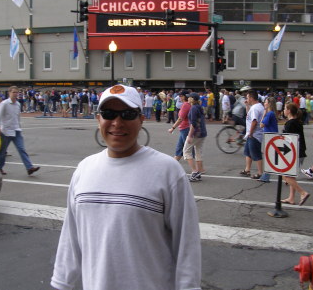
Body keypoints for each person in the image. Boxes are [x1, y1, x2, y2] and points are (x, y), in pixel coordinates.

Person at [51, 84, 201, 290]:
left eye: (128, 114)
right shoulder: (84, 170)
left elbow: (187, 243)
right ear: (98, 120)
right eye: (108, 113)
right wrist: (62, 283)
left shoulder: (168, 171)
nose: (117, 122)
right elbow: (71, 237)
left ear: (141, 120)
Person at [0, 86, 40, 176]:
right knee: (2, 151)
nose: (15, 94)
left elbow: (17, 117)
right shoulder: (4, 104)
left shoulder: (18, 104)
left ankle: (29, 168)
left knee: (21, 149)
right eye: (14, 92)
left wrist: (19, 127)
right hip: (5, 131)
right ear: (9, 93)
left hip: (16, 130)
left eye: (17, 92)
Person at [280, 103, 310, 205]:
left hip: (294, 153)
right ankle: (291, 198)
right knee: (291, 176)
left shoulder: (290, 124)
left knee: (285, 176)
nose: (283, 110)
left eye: (285, 108)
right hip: (300, 152)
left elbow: (287, 141)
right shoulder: (297, 122)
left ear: (289, 111)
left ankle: (303, 193)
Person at [240, 90, 264, 179]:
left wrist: (250, 133)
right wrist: (247, 105)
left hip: (254, 135)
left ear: (251, 98)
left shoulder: (255, 108)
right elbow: (249, 115)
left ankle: (260, 172)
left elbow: (254, 121)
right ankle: (247, 169)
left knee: (256, 154)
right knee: (248, 152)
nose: (247, 99)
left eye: (247, 97)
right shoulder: (257, 106)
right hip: (254, 134)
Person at [183, 92, 207, 182]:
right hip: (202, 133)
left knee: (186, 151)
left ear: (193, 99)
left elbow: (193, 123)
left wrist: (189, 135)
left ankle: (194, 172)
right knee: (198, 152)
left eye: (189, 97)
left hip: (195, 134)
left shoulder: (193, 108)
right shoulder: (199, 107)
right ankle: (199, 171)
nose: (188, 98)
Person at [257, 96, 278, 182]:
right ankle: (266, 176)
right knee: (272, 157)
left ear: (269, 104)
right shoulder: (271, 113)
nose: (264, 103)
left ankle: (266, 176)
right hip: (270, 136)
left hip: (270, 137)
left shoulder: (269, 114)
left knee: (271, 158)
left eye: (265, 102)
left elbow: (261, 124)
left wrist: (264, 114)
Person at [168, 90, 191, 161]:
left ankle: (196, 168)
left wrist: (172, 128)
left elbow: (180, 118)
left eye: (181, 96)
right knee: (180, 148)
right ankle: (173, 164)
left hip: (185, 128)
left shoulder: (185, 105)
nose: (180, 97)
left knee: (188, 149)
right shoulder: (187, 104)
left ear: (185, 96)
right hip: (184, 128)